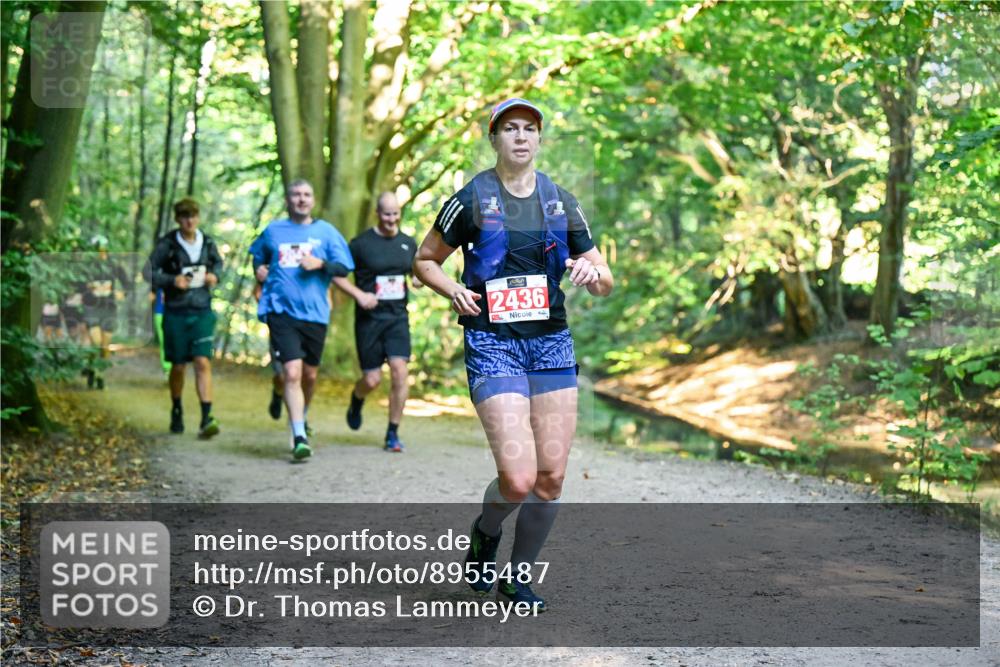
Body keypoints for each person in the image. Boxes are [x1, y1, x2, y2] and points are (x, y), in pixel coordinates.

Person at [414, 98, 613, 611]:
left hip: (550, 343)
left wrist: (593, 276)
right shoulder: (472, 198)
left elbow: (603, 278)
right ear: (495, 138)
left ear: (539, 139)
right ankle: (485, 531)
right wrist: (451, 291)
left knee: (550, 477)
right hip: (493, 341)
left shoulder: (562, 202)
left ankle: (517, 578)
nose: (520, 137)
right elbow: (425, 260)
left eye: (529, 129)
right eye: (510, 129)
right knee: (518, 478)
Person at [249, 179, 353, 461]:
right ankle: (298, 435)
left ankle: (300, 414)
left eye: (307, 194)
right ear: (288, 200)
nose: (301, 199)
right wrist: (258, 268)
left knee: (309, 375)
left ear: (313, 200)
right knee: (292, 372)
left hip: (315, 314)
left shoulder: (326, 233)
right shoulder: (273, 231)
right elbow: (257, 257)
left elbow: (345, 266)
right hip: (281, 311)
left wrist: (321, 264)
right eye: (296, 194)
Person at [334, 192, 420, 452]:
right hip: (369, 320)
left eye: (395, 214)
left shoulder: (408, 243)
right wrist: (359, 295)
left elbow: (418, 272)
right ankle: (357, 397)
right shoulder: (360, 244)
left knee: (399, 371)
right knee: (371, 380)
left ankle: (392, 433)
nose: (392, 220)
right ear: (377, 214)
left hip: (397, 318)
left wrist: (418, 279)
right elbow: (337, 275)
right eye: (387, 214)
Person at [147, 198, 223, 439]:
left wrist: (214, 277)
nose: (189, 221)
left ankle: (206, 416)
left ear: (198, 217)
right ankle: (177, 408)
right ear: (178, 219)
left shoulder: (208, 242)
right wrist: (172, 281)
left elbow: (218, 265)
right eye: (184, 216)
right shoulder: (168, 244)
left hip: (202, 310)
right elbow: (147, 272)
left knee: (202, 361)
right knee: (178, 366)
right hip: (176, 311)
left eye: (193, 215)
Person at [81, 235, 130, 389]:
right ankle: (91, 365)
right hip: (92, 308)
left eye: (103, 250)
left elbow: (128, 284)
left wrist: (122, 293)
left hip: (109, 308)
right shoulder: (87, 267)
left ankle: (100, 374)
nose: (101, 253)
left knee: (105, 344)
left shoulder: (114, 266)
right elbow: (76, 285)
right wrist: (86, 287)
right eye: (97, 250)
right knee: (95, 341)